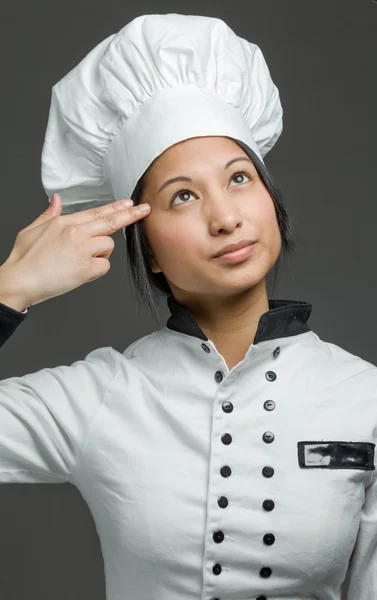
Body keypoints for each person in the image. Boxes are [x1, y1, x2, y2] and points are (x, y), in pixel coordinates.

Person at [0, 13, 376, 600]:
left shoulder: (365, 397)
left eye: (239, 179)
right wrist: (10, 289)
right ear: (147, 250)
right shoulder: (100, 395)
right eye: (183, 196)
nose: (225, 217)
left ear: (272, 204)